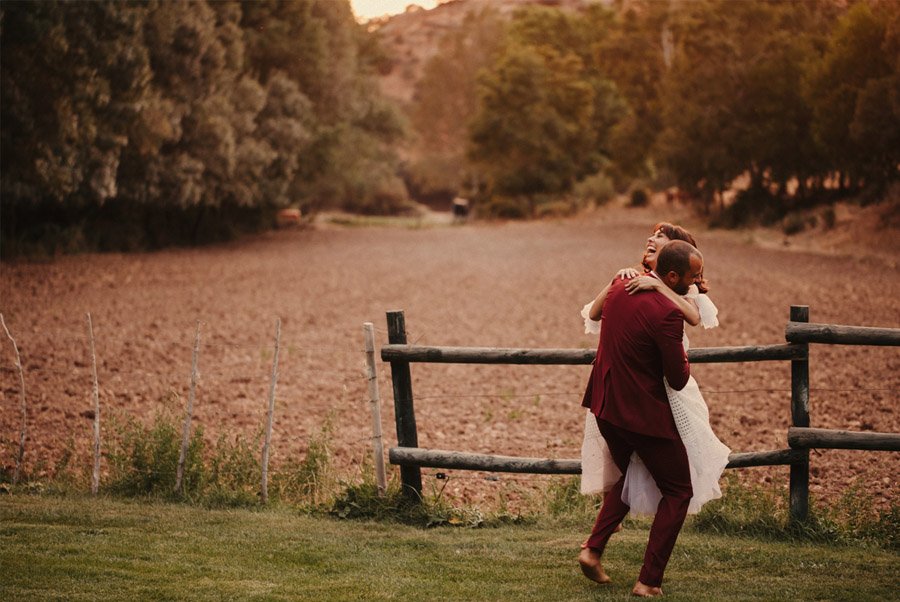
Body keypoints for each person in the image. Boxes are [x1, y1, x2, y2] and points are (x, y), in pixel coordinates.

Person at [577, 240, 705, 597]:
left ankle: (592, 550)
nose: (696, 282)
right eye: (693, 277)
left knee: (629, 474)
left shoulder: (619, 285)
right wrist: (685, 356)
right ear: (674, 275)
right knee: (678, 492)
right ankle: (648, 581)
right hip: (642, 415)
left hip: (605, 407)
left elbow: (599, 317)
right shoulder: (667, 311)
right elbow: (677, 379)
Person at [580, 224, 729, 519]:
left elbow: (693, 316)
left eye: (659, 237)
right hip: (630, 382)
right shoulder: (632, 281)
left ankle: (603, 533)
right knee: (627, 464)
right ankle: (604, 529)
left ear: (676, 251)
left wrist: (659, 286)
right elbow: (595, 314)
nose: (650, 239)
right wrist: (615, 280)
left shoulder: (682, 287)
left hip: (663, 384)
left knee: (664, 464)